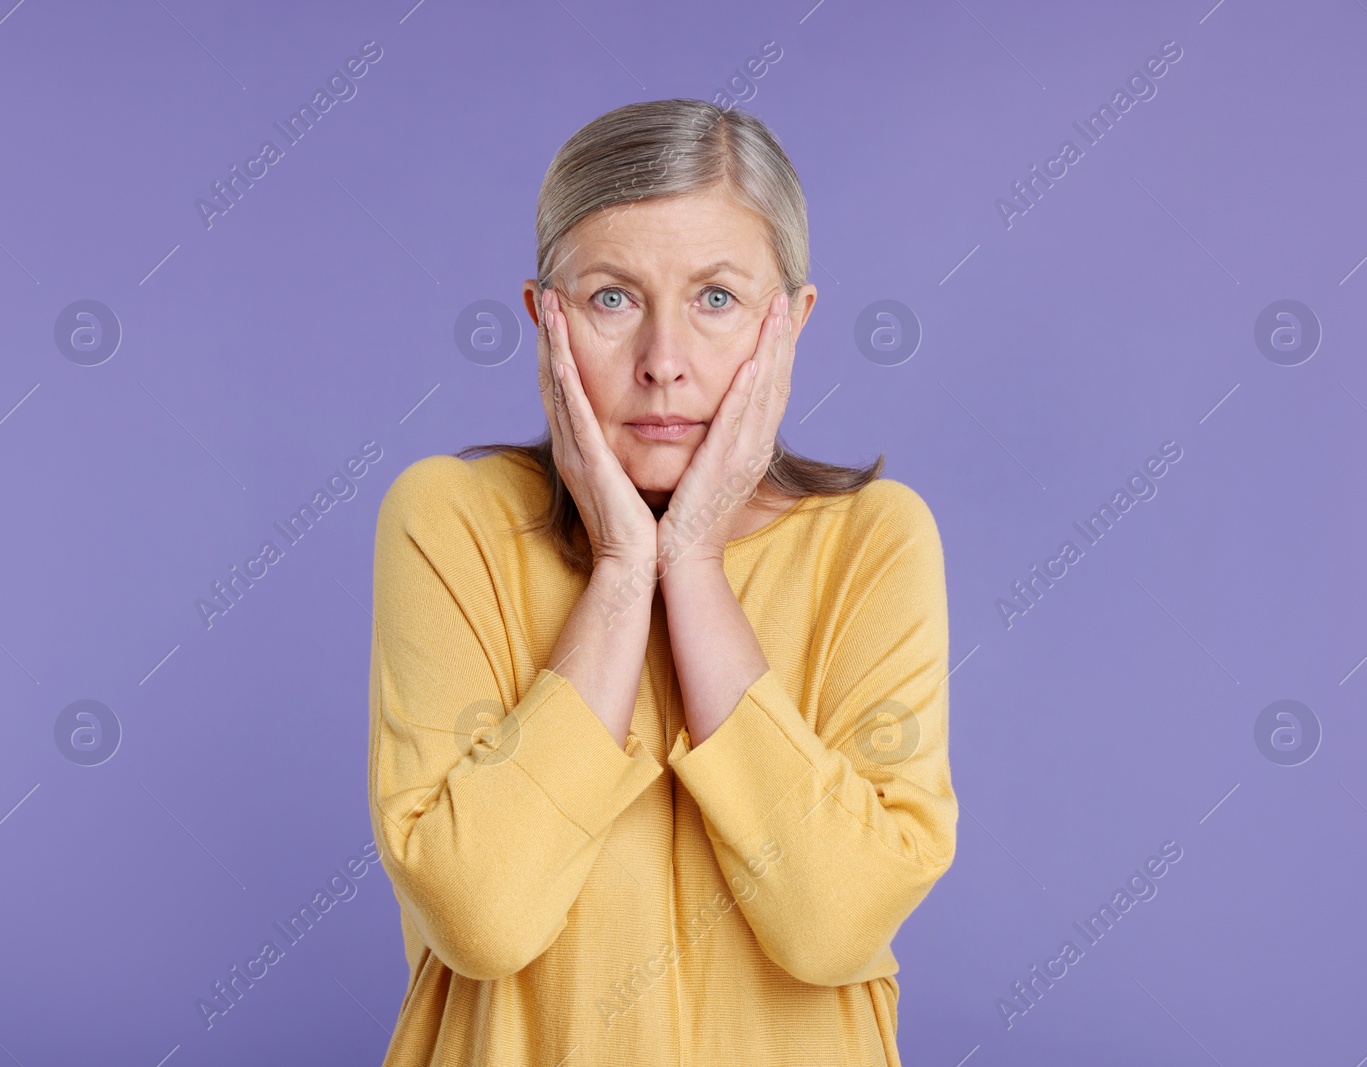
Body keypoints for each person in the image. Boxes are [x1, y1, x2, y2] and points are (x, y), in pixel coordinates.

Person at [367, 97, 956, 1067]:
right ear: (541, 317)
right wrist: (619, 569)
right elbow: (482, 917)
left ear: (790, 323)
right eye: (612, 297)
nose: (663, 364)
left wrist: (690, 563)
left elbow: (834, 924)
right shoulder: (452, 520)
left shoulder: (873, 542)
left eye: (715, 298)